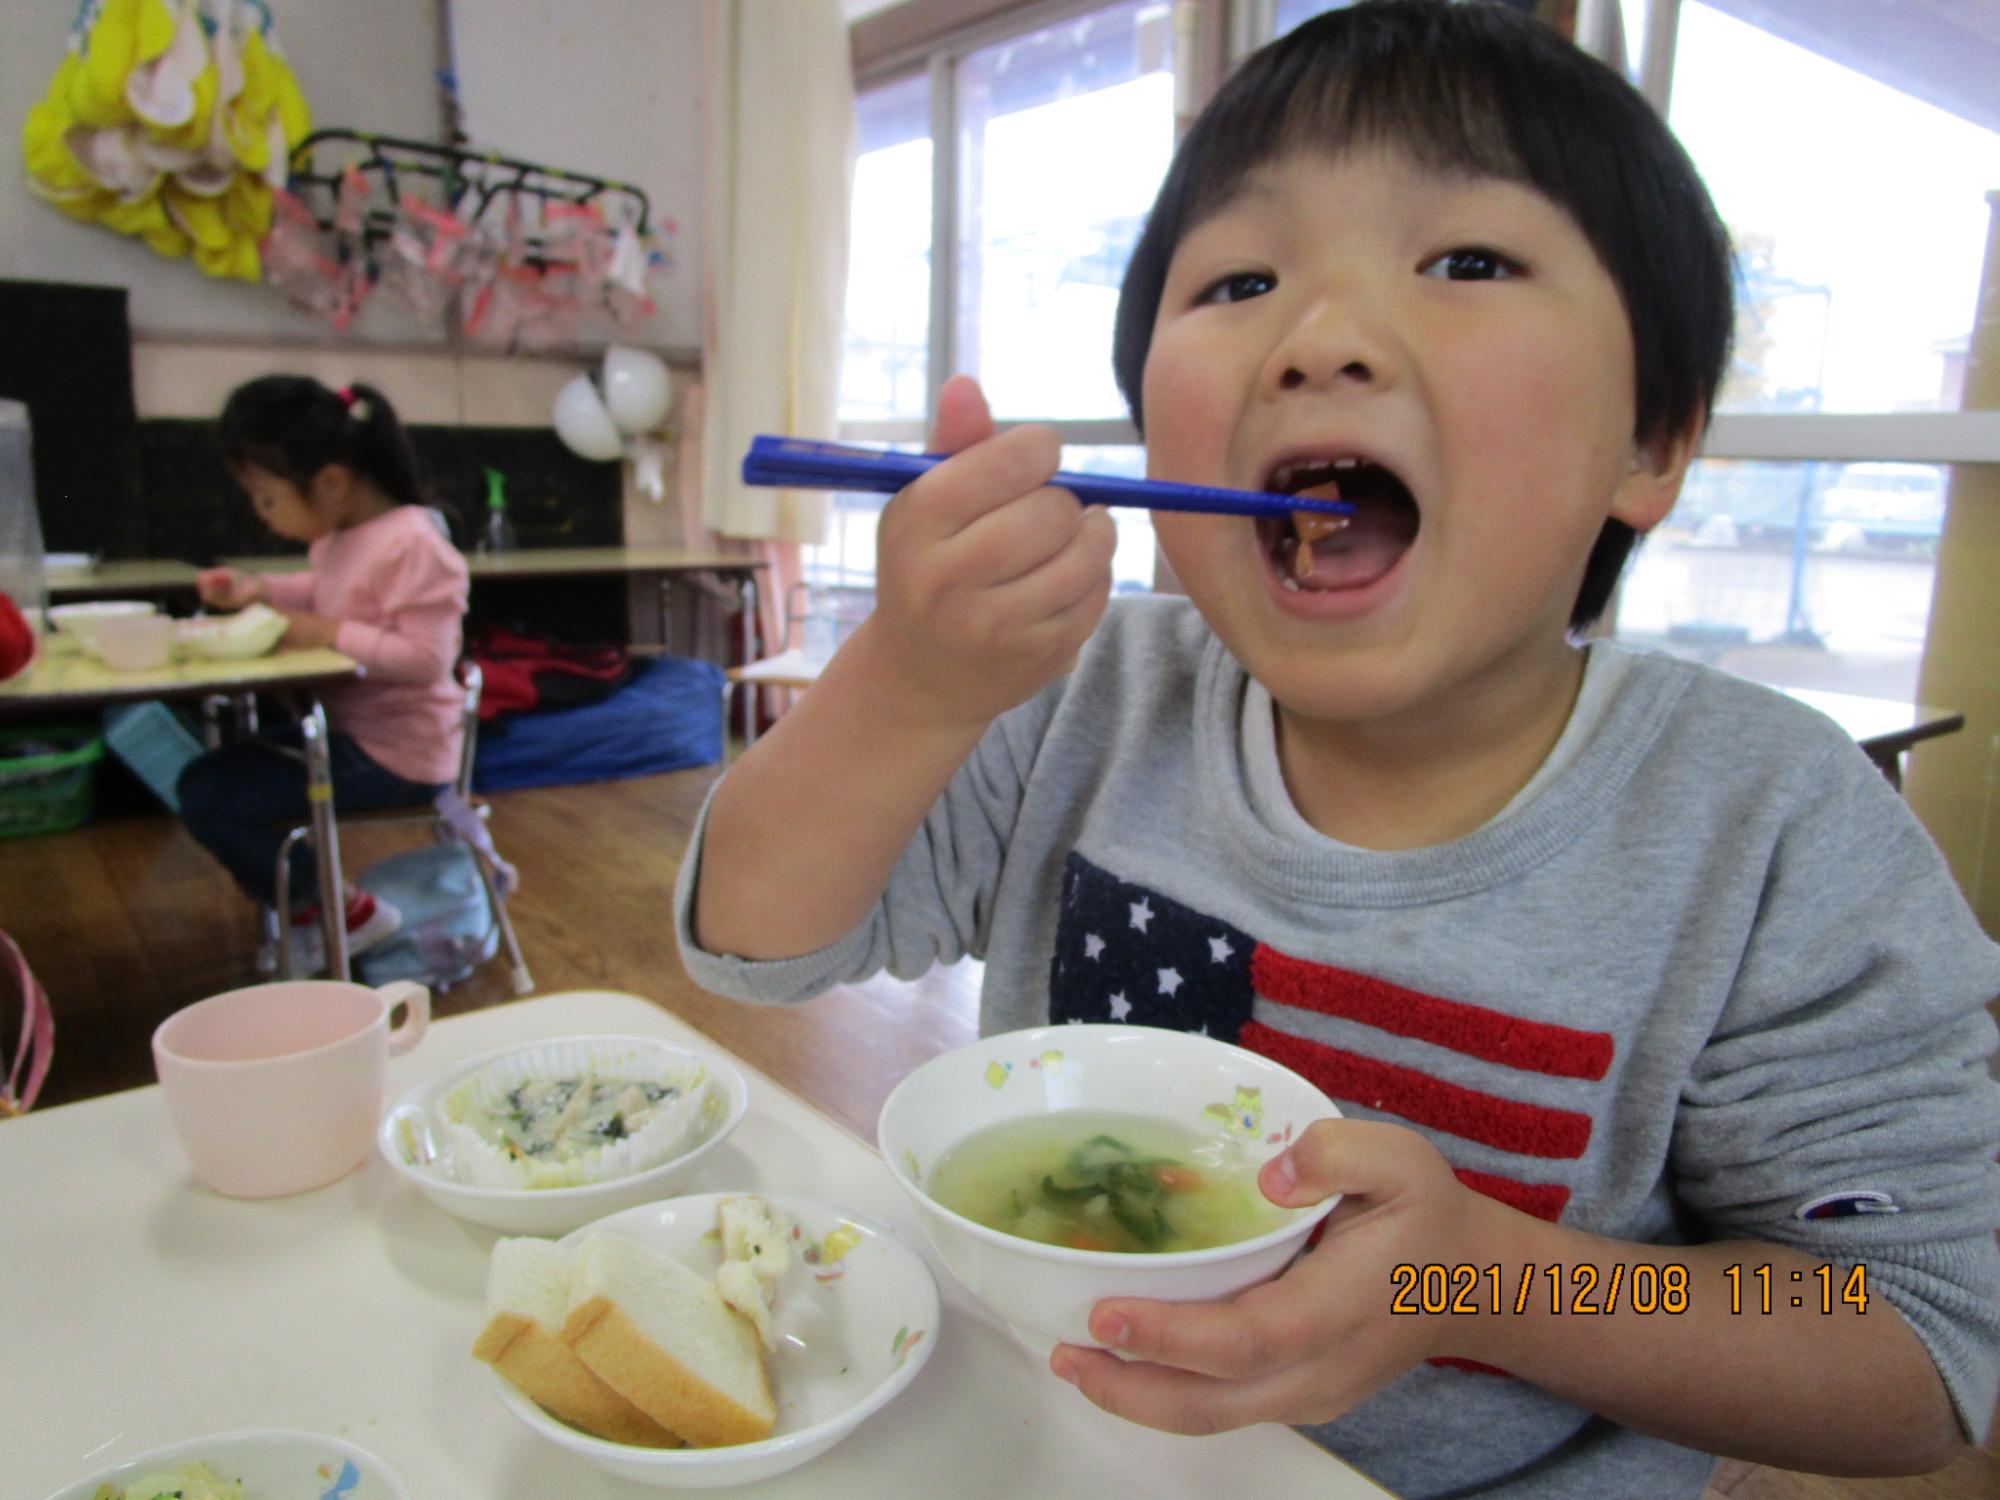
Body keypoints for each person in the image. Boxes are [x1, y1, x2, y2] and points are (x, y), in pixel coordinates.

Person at [675, 3, 2000, 1495]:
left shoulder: (1769, 832)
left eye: (1468, 262)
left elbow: (1916, 1348)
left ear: (1654, 442)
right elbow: (754, 947)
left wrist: (1481, 1283)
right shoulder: (1082, 698)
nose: (1321, 340)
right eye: (1242, 279)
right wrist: (906, 688)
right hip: (1048, 1451)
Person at [178, 375, 469, 973]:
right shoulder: (343, 538)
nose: (263, 516)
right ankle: (327, 910)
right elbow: (327, 592)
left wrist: (319, 630)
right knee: (207, 780)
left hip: (398, 758)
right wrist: (262, 590)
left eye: (267, 499)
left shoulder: (414, 542)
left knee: (214, 795)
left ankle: (340, 914)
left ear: (332, 482)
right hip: (351, 738)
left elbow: (427, 659)